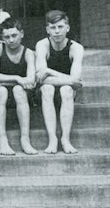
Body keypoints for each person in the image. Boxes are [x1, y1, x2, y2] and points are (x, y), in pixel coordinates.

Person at [35, 10, 84, 154]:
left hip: (66, 94)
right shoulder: (42, 45)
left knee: (66, 89)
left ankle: (65, 139)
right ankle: (52, 139)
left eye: (60, 27)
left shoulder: (76, 48)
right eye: (52, 27)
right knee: (47, 88)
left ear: (67, 28)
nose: (56, 31)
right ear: (47, 30)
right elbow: (40, 79)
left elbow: (74, 82)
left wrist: (50, 71)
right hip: (44, 93)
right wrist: (69, 80)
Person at [0, 18, 38, 155]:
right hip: (2, 95)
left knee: (18, 90)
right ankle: (2, 138)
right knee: (0, 91)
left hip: (22, 95)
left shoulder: (28, 53)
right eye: (6, 37)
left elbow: (30, 79)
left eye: (14, 36)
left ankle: (25, 139)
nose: (11, 40)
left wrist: (17, 82)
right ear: (2, 37)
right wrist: (17, 78)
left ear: (22, 34)